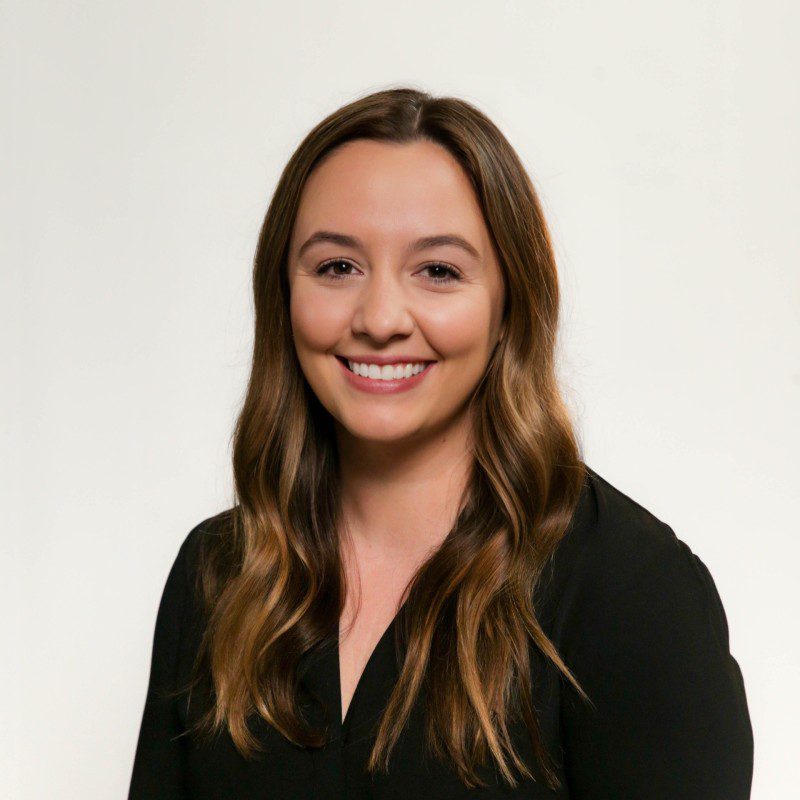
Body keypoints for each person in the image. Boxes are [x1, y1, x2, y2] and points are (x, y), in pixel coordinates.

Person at [127, 87, 754, 799]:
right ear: (282, 293)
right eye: (337, 266)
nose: (381, 317)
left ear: (509, 304)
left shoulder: (635, 594)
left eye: (438, 271)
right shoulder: (218, 578)